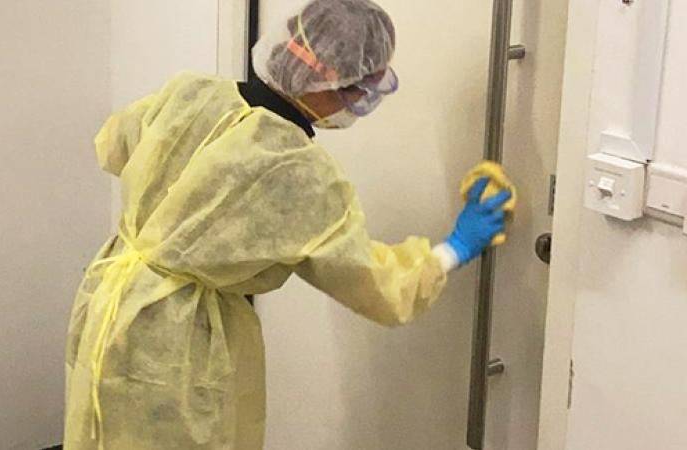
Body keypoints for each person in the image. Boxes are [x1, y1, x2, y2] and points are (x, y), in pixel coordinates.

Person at [63, 0, 513, 448]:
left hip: (109, 302)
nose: (361, 101)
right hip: (179, 348)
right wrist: (456, 246)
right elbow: (378, 286)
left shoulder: (190, 93)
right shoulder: (298, 171)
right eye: (361, 88)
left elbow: (113, 146)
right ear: (326, 79)